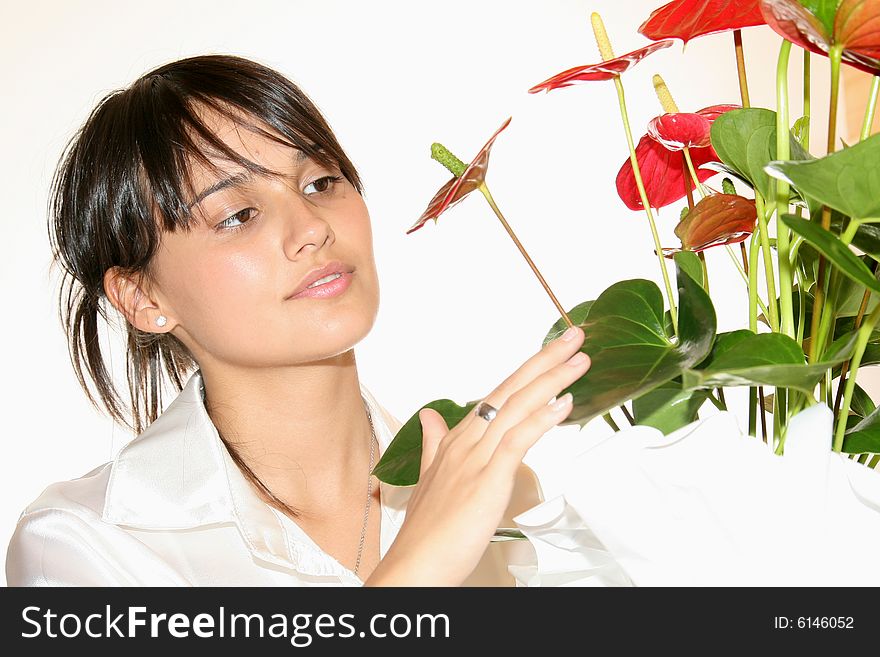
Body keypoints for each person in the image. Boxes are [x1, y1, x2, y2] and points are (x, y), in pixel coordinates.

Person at [4, 54, 590, 586]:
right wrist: (421, 567)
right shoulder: (85, 544)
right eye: (239, 215)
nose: (313, 227)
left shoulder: (501, 494)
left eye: (320, 182)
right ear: (142, 297)